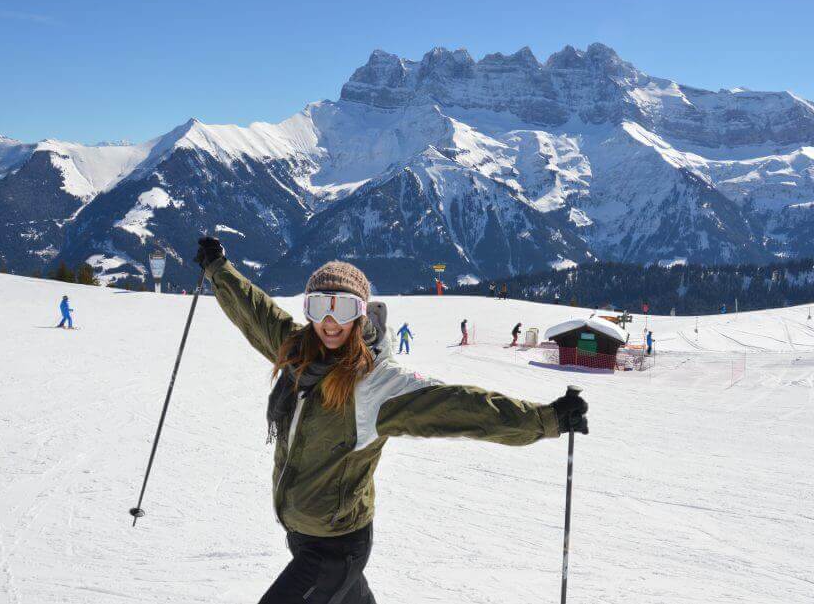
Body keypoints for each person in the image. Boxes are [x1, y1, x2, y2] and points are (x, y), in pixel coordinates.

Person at [193, 237, 589, 604]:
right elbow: (257, 312)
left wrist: (546, 419)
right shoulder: (299, 352)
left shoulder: (375, 384)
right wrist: (218, 269)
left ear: (360, 314)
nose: (330, 322)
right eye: (319, 306)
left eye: (343, 308)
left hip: (335, 547)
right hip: (302, 535)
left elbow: (459, 407)